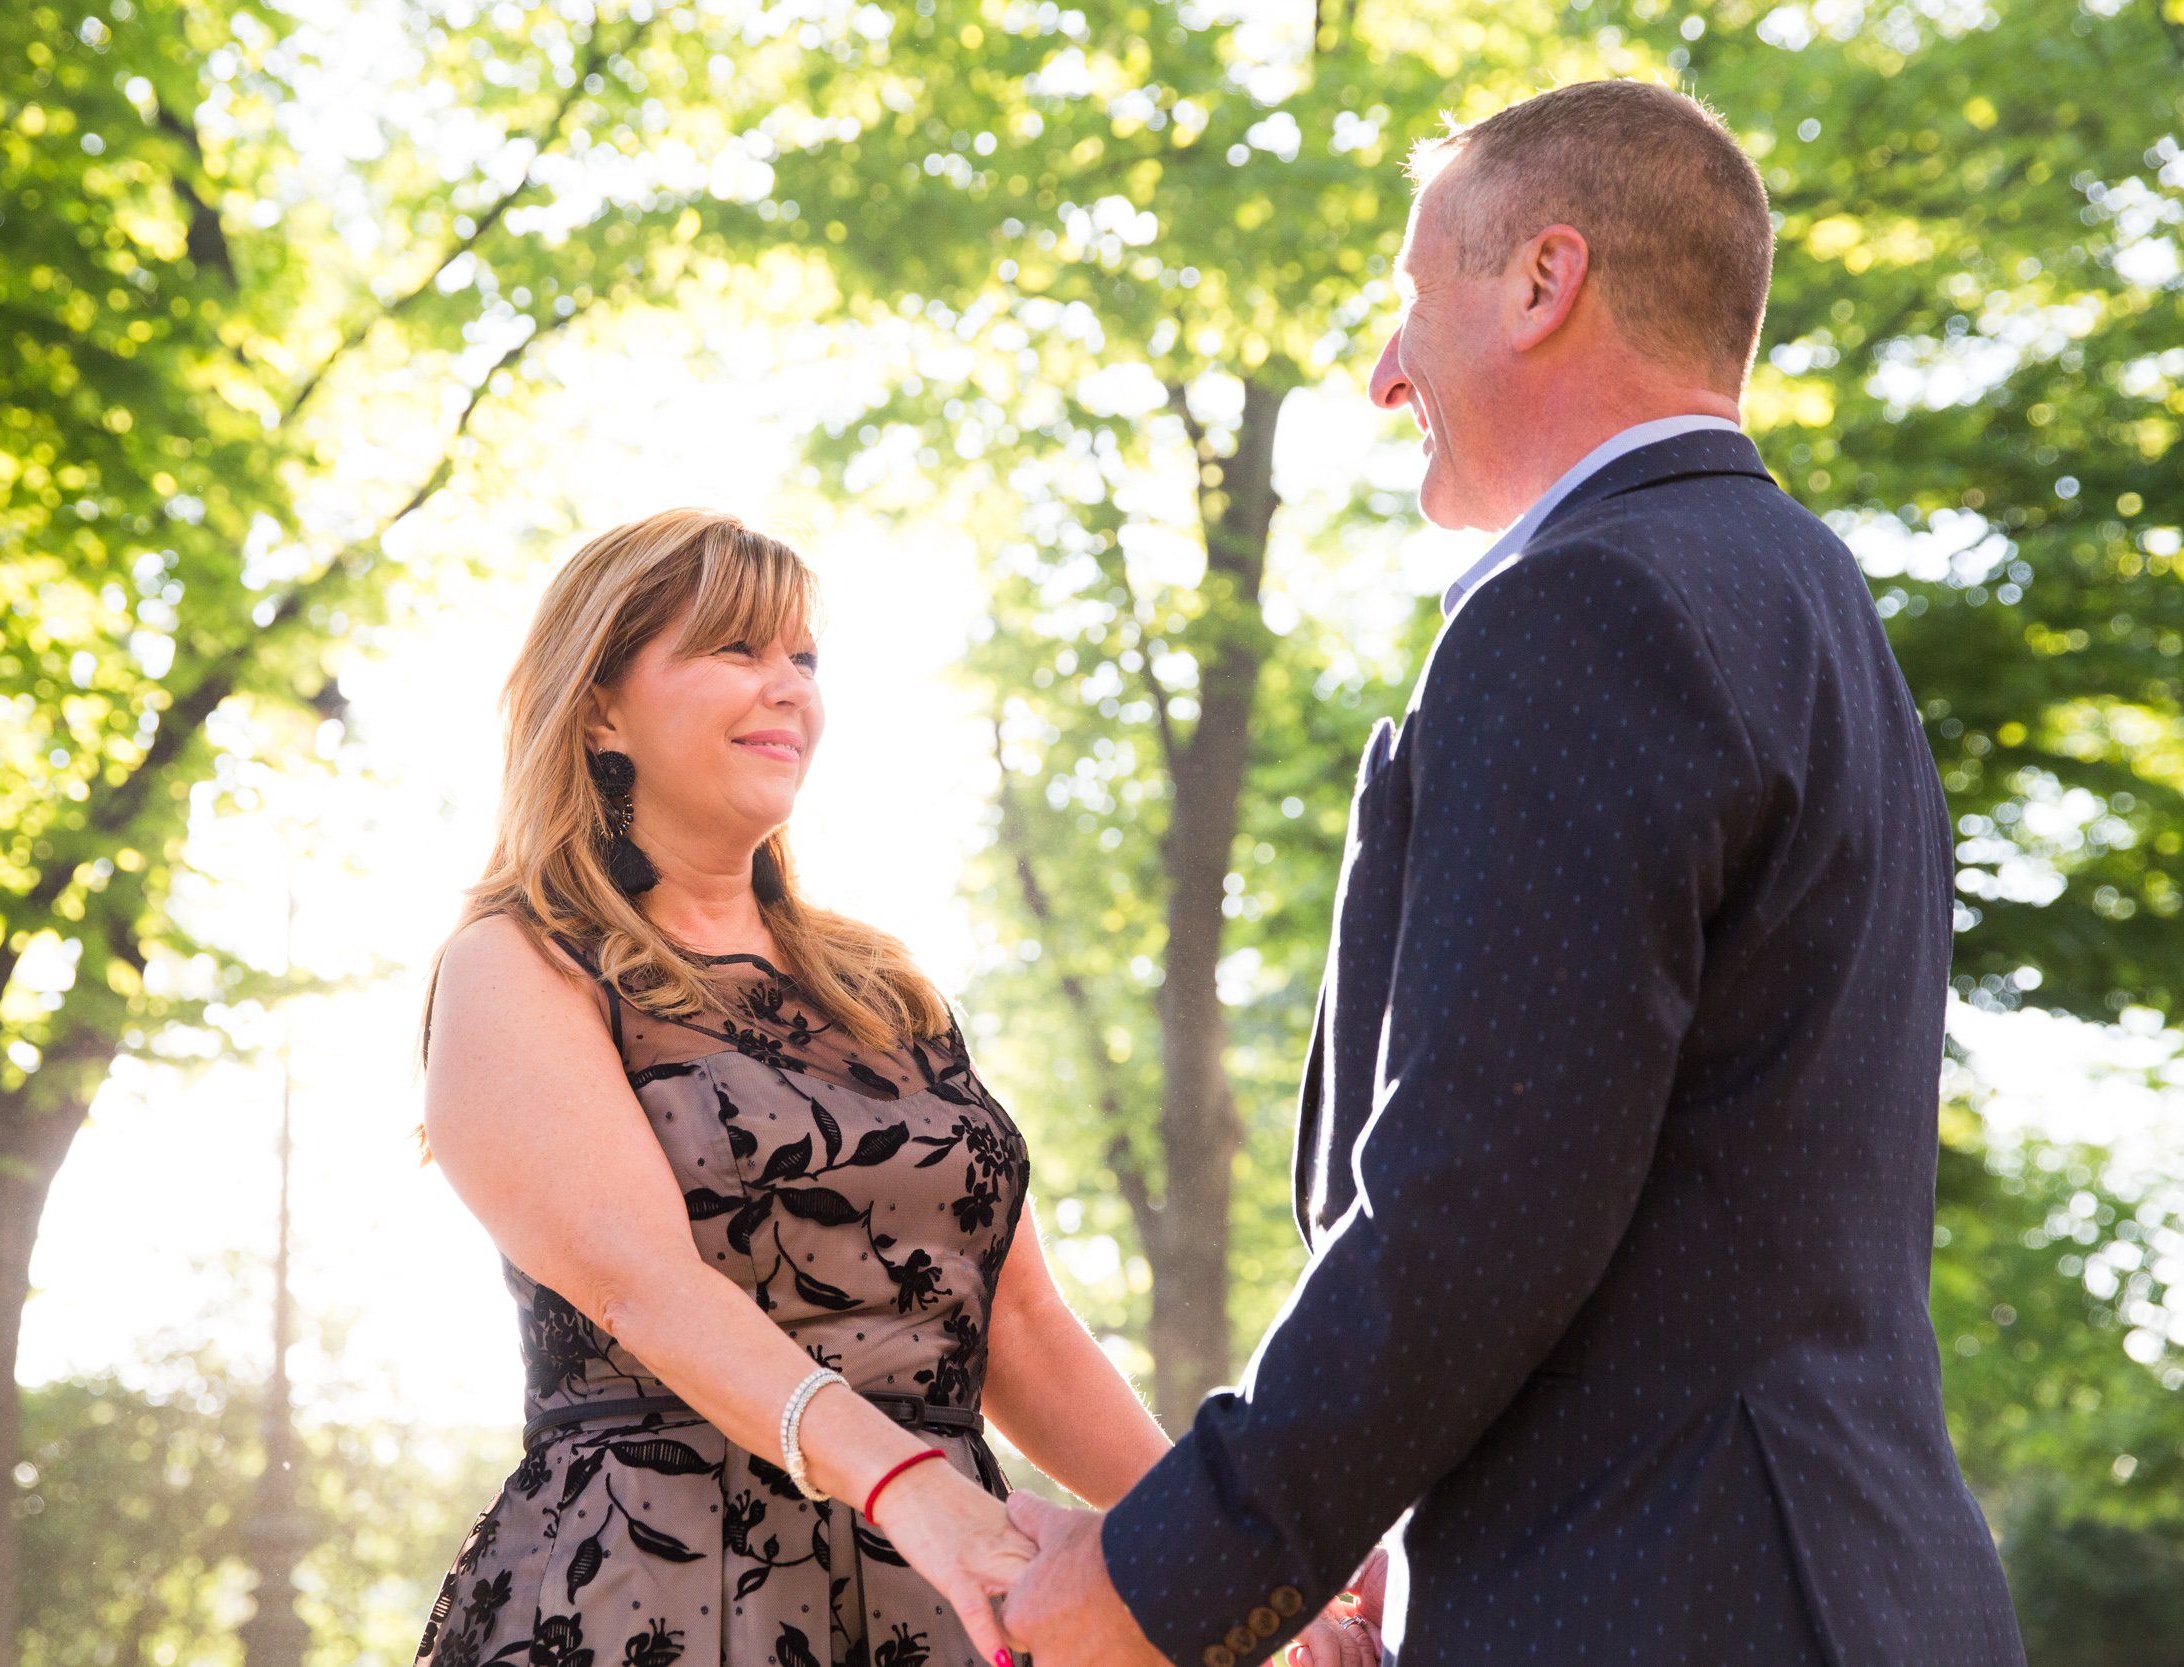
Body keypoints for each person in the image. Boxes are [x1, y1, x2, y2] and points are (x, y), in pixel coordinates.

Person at [996, 79, 2027, 1667]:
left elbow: (1483, 1191)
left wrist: (1170, 1577)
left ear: (1544, 282)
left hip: (1661, 1599)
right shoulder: (1811, 602)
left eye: (1411, 302)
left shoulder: (1585, 607)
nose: (1381, 369)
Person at [409, 511, 1363, 1667]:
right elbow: (641, 1284)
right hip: (654, 1591)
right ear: (601, 707)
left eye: (803, 658)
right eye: (736, 649)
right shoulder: (520, 961)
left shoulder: (882, 988)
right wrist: (908, 1486)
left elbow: (1021, 1326)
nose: (788, 690)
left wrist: (1234, 1556)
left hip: (940, 1597)